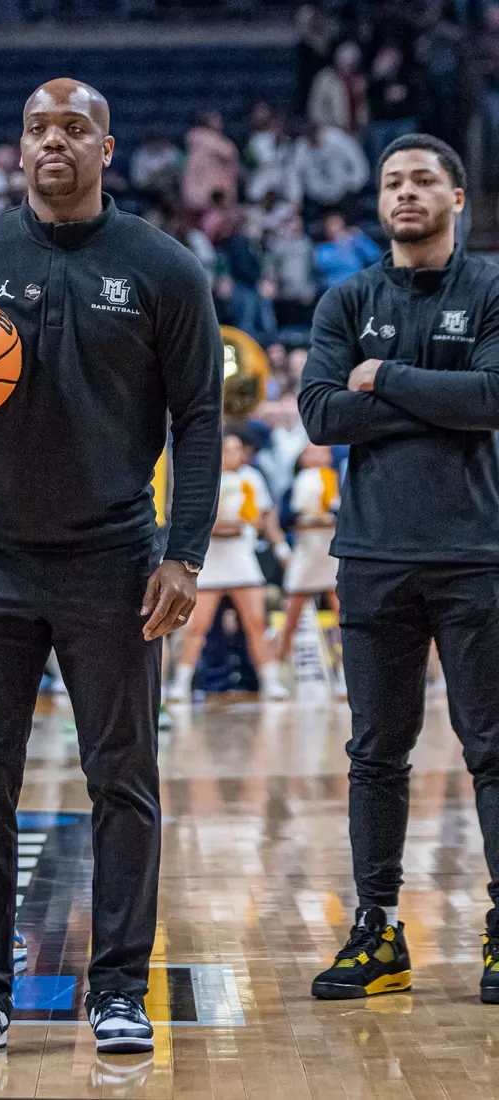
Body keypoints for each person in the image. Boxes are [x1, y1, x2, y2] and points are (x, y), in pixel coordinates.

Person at [0, 79, 223, 1056]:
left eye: (72, 128)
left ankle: (118, 986)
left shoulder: (163, 268)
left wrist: (184, 551)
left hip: (114, 555)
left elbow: (199, 421)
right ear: (17, 148)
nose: (52, 142)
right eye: (35, 129)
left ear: (106, 148)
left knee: (123, 777)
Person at [298, 134, 499, 1003]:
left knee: (492, 750)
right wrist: (433, 401)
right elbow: (317, 412)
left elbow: (494, 399)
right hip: (373, 556)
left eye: (422, 180)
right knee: (377, 752)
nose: (405, 193)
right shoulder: (348, 297)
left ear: (457, 196)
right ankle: (376, 929)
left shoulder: (491, 287)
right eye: (392, 182)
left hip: (475, 556)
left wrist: (386, 380)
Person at [168, 431, 289, 702]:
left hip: (241, 559)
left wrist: (240, 525)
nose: (232, 454)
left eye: (236, 449)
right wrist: (223, 524)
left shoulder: (252, 478)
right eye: (226, 449)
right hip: (209, 560)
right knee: (196, 626)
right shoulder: (204, 479)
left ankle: (270, 681)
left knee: (256, 622)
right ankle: (181, 684)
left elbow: (258, 521)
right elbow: (200, 524)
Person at [278, 443, 341, 664]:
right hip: (305, 553)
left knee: (341, 616)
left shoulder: (337, 480)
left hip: (331, 554)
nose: (316, 456)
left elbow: (344, 512)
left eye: (322, 451)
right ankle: (280, 668)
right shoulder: (295, 484)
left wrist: (329, 516)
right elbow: (285, 519)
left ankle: (344, 670)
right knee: (291, 617)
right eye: (310, 452)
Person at [314, 212, 381, 291]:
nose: (336, 228)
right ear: (326, 230)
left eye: (338, 224)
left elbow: (374, 255)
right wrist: (341, 246)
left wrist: (361, 238)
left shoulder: (355, 243)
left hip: (357, 289)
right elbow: (321, 266)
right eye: (331, 224)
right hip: (335, 292)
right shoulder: (323, 249)